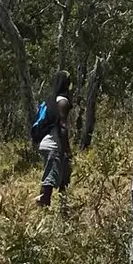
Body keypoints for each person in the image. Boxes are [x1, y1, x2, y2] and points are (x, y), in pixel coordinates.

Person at [35, 71, 73, 210]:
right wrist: (66, 149)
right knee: (51, 177)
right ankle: (43, 204)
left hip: (45, 143)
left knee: (63, 173)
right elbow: (63, 127)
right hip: (53, 145)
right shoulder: (62, 101)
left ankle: (64, 206)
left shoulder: (50, 100)